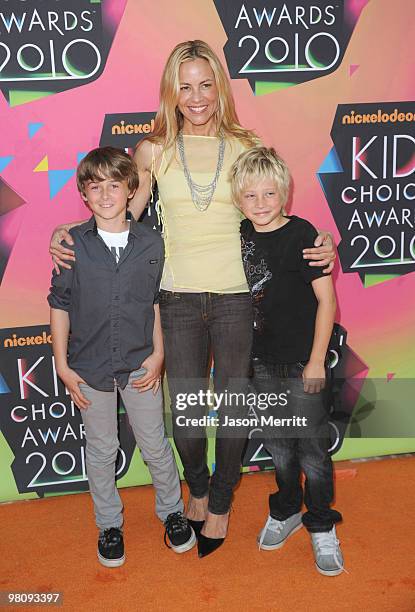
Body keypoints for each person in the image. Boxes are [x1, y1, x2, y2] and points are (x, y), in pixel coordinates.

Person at [49, 40, 336, 559]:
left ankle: (221, 501)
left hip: (235, 299)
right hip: (176, 298)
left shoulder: (246, 144)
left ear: (219, 88)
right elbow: (121, 214)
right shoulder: (153, 151)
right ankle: (197, 490)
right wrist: (67, 229)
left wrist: (320, 242)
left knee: (231, 410)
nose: (197, 96)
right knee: (183, 415)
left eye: (206, 84)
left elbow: (271, 211)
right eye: (185, 86)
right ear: (172, 92)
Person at [48, 147, 195, 568]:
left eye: (115, 185)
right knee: (101, 448)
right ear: (84, 194)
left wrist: (160, 352)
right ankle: (109, 525)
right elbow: (59, 304)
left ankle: (172, 512)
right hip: (89, 367)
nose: (106, 194)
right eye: (96, 187)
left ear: (132, 189)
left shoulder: (151, 242)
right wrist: (62, 364)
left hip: (139, 363)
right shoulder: (70, 244)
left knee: (154, 444)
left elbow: (152, 303)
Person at [230, 146, 344, 576]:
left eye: (269, 194)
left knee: (312, 450)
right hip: (260, 364)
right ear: (238, 200)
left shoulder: (302, 236)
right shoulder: (238, 233)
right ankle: (286, 510)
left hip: (302, 363)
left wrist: (316, 360)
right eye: (250, 196)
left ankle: (320, 523)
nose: (260, 204)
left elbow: (327, 301)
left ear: (285, 194)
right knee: (279, 448)